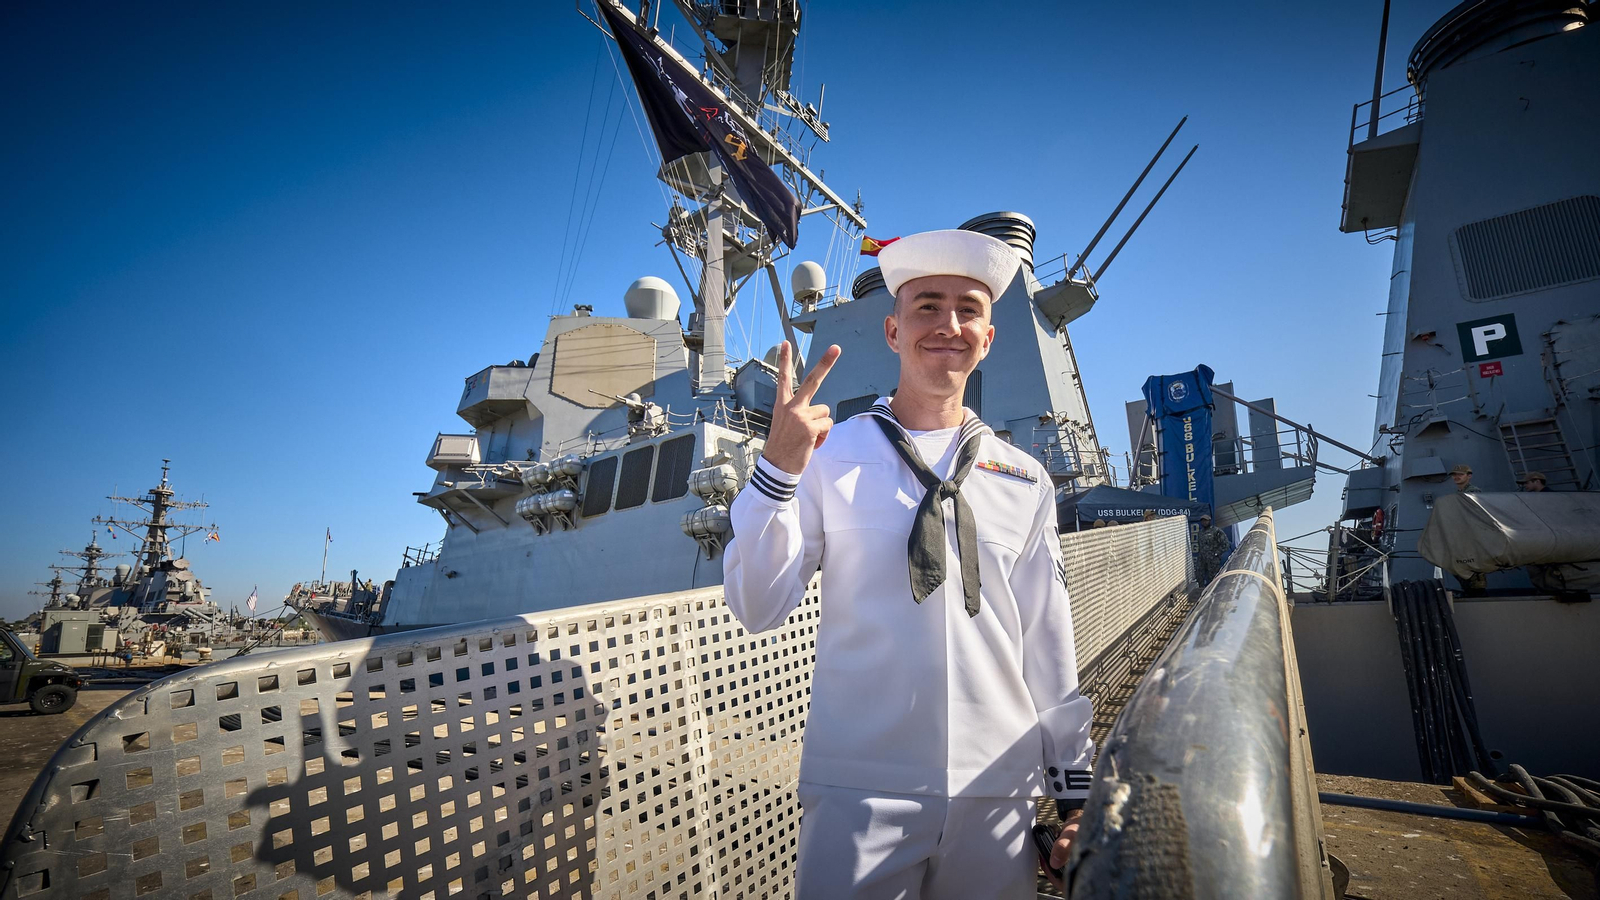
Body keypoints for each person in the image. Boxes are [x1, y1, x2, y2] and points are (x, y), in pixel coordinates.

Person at [724, 229, 1094, 899]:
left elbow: (1048, 641)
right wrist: (776, 471)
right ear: (893, 332)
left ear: (988, 338)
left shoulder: (1025, 478)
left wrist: (1075, 796)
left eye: (967, 310)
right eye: (927, 306)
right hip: (861, 789)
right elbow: (757, 605)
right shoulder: (828, 458)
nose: (948, 325)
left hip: (998, 790)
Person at [1195, 513, 1230, 585]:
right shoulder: (1200, 532)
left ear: (1209, 521)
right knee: (1199, 574)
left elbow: (1225, 544)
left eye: (1206, 520)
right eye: (1202, 521)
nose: (1204, 522)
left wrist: (1216, 553)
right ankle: (1200, 589)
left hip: (1213, 559)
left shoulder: (1216, 531)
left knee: (1213, 578)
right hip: (1202, 559)